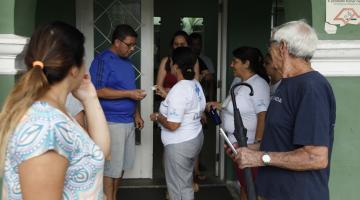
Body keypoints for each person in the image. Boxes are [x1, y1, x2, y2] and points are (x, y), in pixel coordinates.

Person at [0, 21, 110, 199]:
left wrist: (90, 97)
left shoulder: (55, 114)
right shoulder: (47, 126)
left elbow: (96, 154)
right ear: (74, 69)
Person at [230, 20, 336, 200]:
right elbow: (281, 141)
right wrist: (248, 149)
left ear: (283, 48)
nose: (268, 52)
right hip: (274, 191)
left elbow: (316, 157)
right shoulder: (287, 83)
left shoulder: (312, 88)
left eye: (271, 45)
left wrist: (259, 158)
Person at [89, 24, 145, 200]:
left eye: (133, 45)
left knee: (121, 167)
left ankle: (113, 196)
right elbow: (96, 91)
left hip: (128, 121)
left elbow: (131, 90)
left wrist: (136, 114)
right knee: (110, 169)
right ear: (117, 42)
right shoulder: (102, 60)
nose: (132, 48)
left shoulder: (127, 63)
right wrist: (128, 93)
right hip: (111, 122)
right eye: (129, 44)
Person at [207, 47, 270, 200]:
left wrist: (256, 146)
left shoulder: (258, 85)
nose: (231, 65)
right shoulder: (241, 83)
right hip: (238, 148)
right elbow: (238, 106)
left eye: (235, 61)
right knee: (245, 186)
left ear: (246, 63)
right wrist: (219, 105)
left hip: (249, 148)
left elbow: (263, 116)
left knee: (253, 189)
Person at [150, 47, 206, 200]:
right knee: (185, 184)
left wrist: (157, 116)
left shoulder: (179, 89)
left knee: (176, 189)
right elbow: (190, 106)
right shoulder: (195, 84)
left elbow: (173, 125)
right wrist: (169, 96)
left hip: (180, 144)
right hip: (194, 137)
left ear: (175, 67)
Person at [155, 31, 200, 98]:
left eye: (182, 44)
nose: (179, 47)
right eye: (176, 44)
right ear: (172, 45)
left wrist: (175, 96)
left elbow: (195, 86)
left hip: (187, 102)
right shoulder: (166, 61)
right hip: (168, 103)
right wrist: (170, 98)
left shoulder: (194, 60)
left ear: (188, 45)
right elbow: (158, 87)